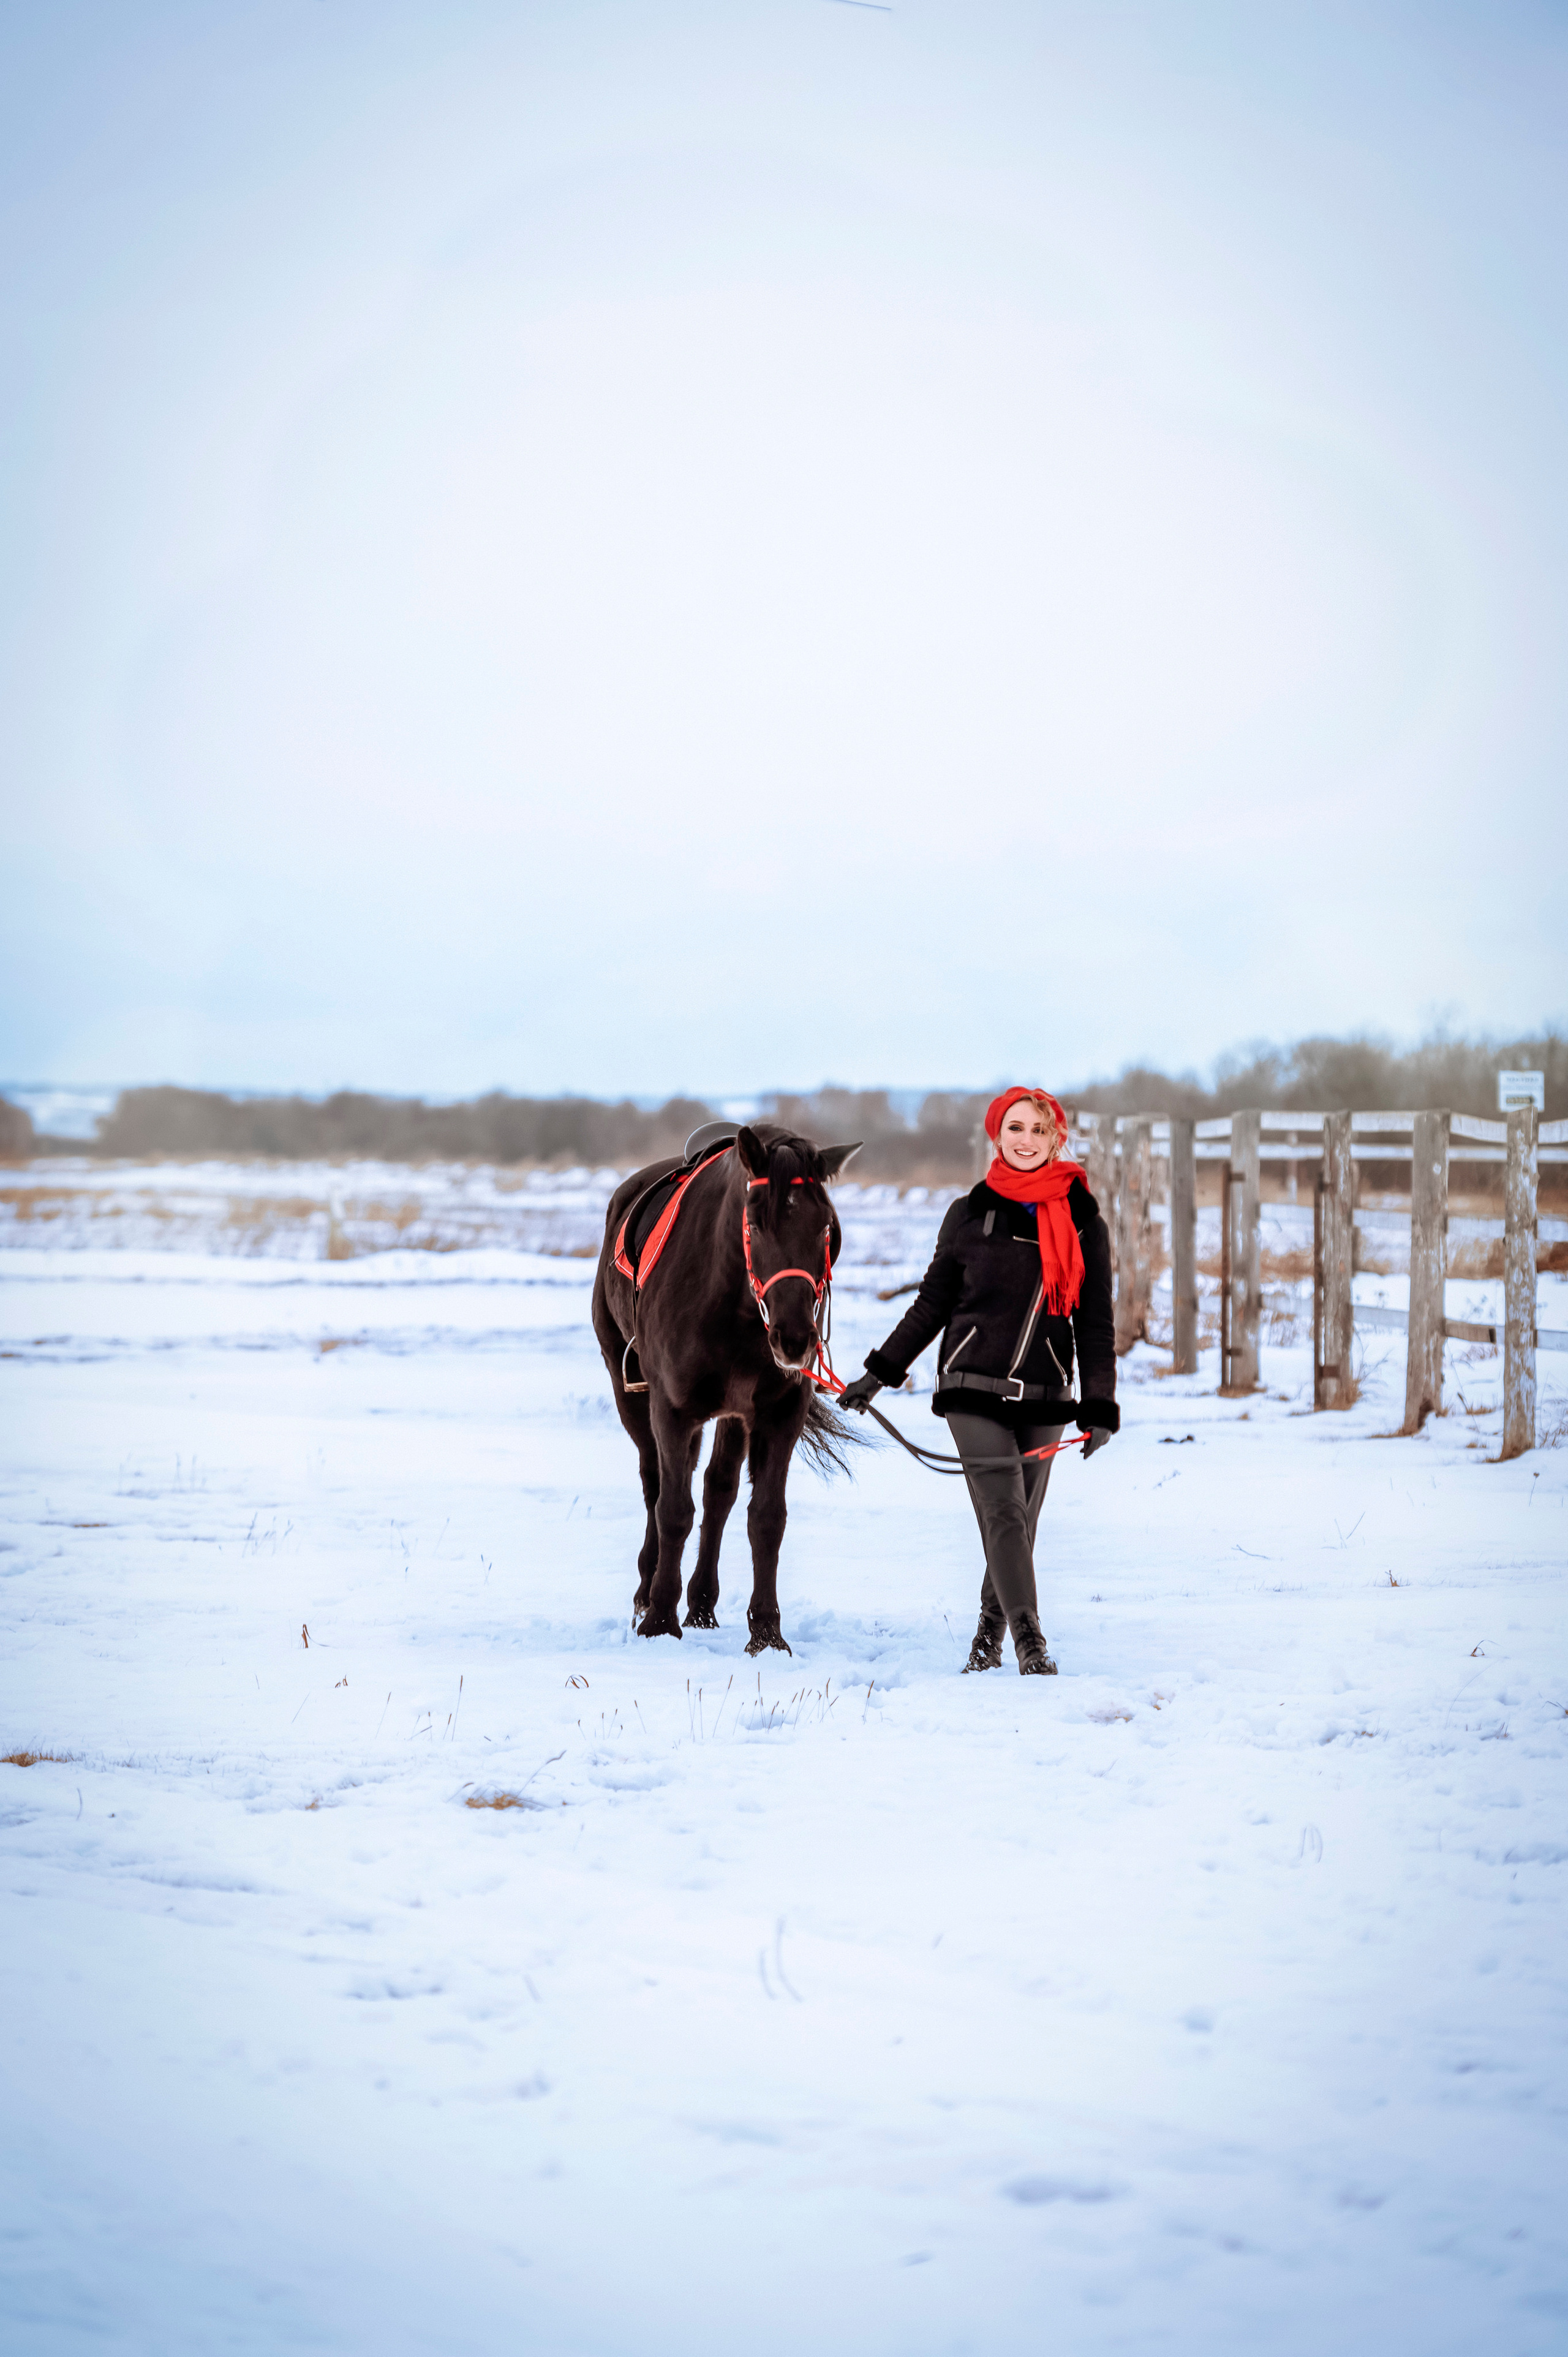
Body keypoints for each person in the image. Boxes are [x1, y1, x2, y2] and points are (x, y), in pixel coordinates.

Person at [838, 1088, 1118, 1675]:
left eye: (1039, 1130)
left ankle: (988, 1633)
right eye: (1016, 1127)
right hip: (970, 1387)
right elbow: (932, 1304)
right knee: (1005, 1513)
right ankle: (1030, 1642)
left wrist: (1098, 1405)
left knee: (1021, 1520)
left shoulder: (1084, 1220)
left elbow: (1096, 1322)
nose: (1026, 1140)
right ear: (997, 1135)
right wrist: (878, 1374)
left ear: (1056, 1139)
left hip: (1047, 1391)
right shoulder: (969, 1212)